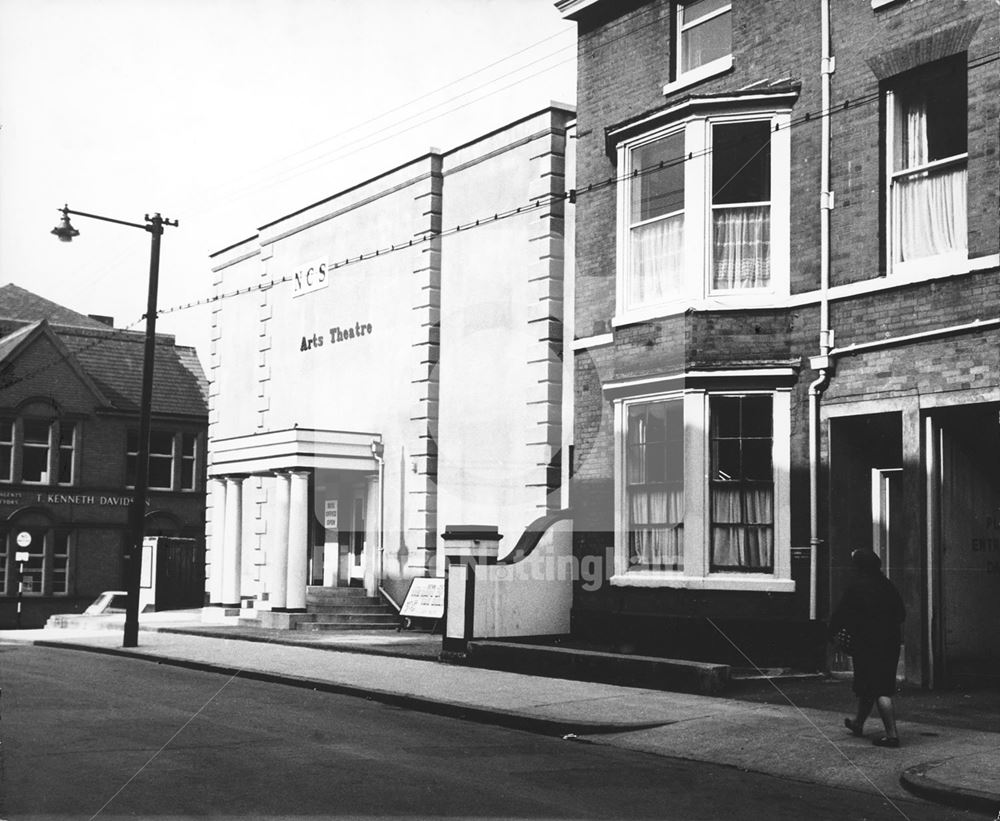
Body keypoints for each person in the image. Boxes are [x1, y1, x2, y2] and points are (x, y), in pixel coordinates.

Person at [828, 548, 906, 748]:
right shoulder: (887, 585)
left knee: (878, 688)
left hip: (866, 644)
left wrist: (830, 634)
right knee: (871, 685)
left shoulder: (856, 587)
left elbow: (841, 614)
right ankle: (858, 724)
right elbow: (901, 613)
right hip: (890, 642)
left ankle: (892, 735)